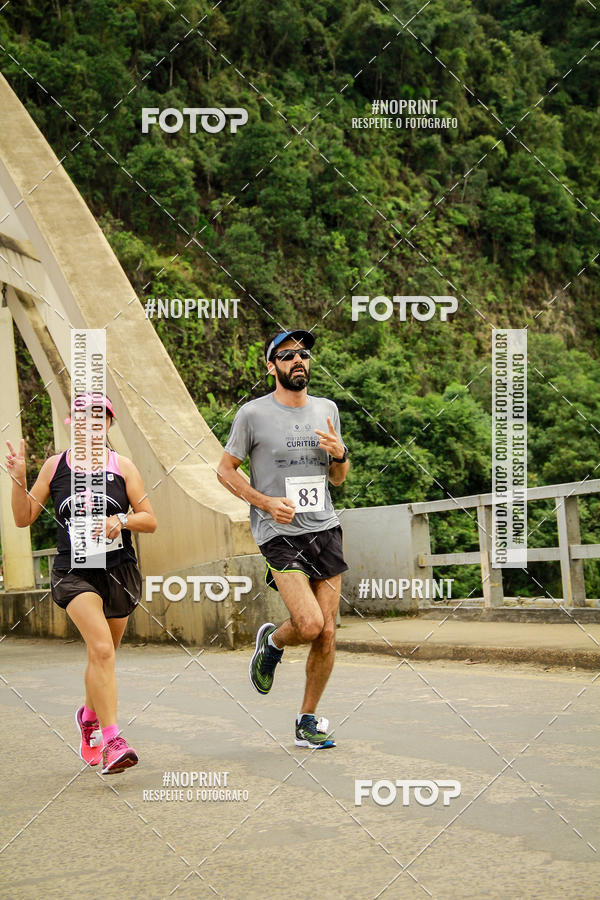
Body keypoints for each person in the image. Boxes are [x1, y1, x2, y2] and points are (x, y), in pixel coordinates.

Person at [5, 393, 157, 774]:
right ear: (73, 424)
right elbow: (23, 518)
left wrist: (120, 521)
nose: (92, 425)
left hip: (119, 571)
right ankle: (112, 740)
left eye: (100, 419)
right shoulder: (56, 467)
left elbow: (149, 519)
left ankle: (88, 716)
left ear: (108, 425)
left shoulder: (122, 467)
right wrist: (19, 479)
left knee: (104, 655)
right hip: (74, 573)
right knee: (102, 649)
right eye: (84, 419)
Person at [217, 329, 350, 749]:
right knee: (309, 624)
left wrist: (341, 455)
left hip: (324, 528)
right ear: (271, 365)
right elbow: (224, 470)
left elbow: (338, 479)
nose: (298, 360)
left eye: (304, 354)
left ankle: (306, 721)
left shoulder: (326, 409)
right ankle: (272, 643)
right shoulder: (252, 415)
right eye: (287, 354)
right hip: (279, 532)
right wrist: (265, 503)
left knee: (327, 632)